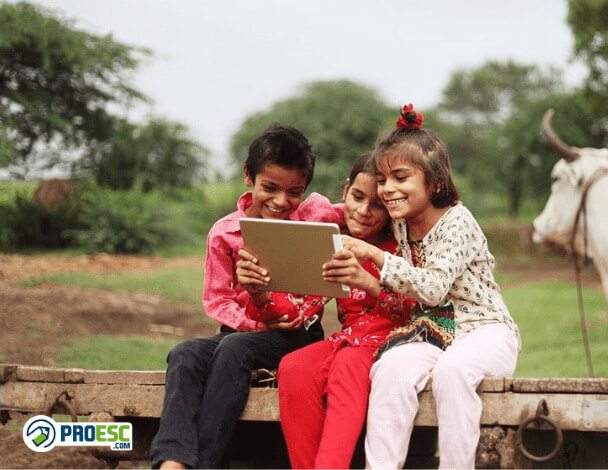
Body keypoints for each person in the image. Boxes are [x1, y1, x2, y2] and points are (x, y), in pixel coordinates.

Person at [323, 104, 521, 469]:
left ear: (435, 183)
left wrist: (372, 254)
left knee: (453, 372)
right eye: (383, 180)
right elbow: (333, 209)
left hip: (484, 331)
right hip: (433, 333)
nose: (387, 190)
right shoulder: (402, 222)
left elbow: (431, 288)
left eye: (400, 177)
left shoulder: (457, 220)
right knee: (389, 369)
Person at [150, 124, 340, 469]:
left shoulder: (315, 217)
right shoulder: (225, 233)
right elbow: (217, 300)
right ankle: (172, 460)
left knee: (233, 348)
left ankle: (208, 463)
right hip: (240, 332)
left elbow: (359, 209)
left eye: (294, 192)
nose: (282, 202)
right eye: (270, 188)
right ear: (248, 177)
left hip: (296, 336)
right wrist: (253, 322)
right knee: (185, 353)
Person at [275, 153, 415, 469]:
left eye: (378, 205)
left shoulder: (399, 247)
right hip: (346, 340)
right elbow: (301, 308)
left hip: (389, 340)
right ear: (345, 190)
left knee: (347, 366)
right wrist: (259, 288)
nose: (364, 211)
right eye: (358, 197)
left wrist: (367, 280)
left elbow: (413, 310)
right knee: (293, 367)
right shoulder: (331, 240)